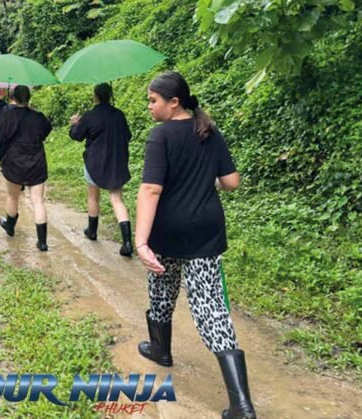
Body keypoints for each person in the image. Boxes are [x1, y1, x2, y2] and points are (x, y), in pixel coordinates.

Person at [135, 71, 255, 419]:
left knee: (161, 286)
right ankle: (241, 405)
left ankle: (161, 350)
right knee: (211, 309)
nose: (149, 106)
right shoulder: (209, 132)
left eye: (153, 100)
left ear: (174, 102)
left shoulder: (160, 137)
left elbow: (150, 189)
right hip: (206, 230)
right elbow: (231, 182)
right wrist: (202, 182)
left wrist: (140, 241)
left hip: (167, 231)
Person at [69, 83, 133, 257]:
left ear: (95, 96)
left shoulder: (90, 116)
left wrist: (74, 123)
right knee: (116, 199)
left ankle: (92, 230)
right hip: (117, 162)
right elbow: (128, 136)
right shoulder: (119, 114)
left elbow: (76, 135)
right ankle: (127, 242)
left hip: (95, 162)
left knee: (93, 196)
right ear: (110, 96)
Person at [0, 85, 53, 251]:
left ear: (13, 97)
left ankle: (10, 226)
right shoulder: (37, 116)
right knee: (38, 201)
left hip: (14, 162)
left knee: (13, 197)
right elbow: (46, 130)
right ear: (29, 98)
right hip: (36, 161)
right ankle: (42, 242)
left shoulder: (7, 115)